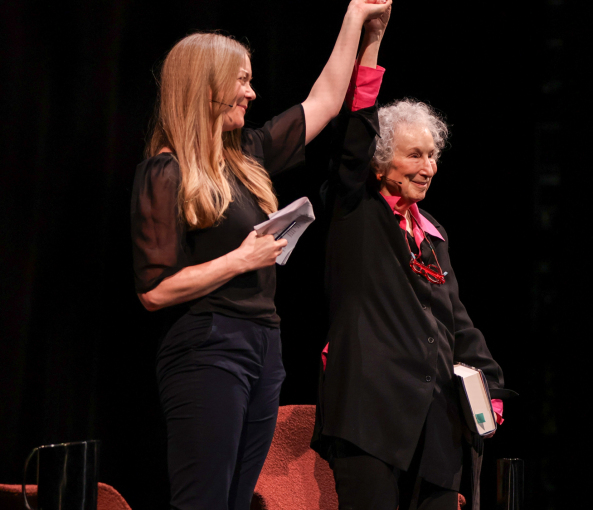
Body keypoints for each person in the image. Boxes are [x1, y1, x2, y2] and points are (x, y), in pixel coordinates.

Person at [130, 2, 392, 509]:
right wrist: (239, 260)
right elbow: (154, 290)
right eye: (241, 81)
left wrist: (357, 23)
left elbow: (325, 101)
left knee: (237, 499)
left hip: (263, 347)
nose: (252, 92)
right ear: (205, 87)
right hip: (207, 347)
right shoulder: (165, 173)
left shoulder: (247, 152)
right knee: (205, 500)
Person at [312, 32, 514, 510]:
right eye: (414, 155)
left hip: (438, 422)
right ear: (380, 166)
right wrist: (372, 42)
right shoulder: (355, 213)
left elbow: (456, 319)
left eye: (433, 156)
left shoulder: (433, 232)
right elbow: (352, 135)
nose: (429, 167)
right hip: (370, 413)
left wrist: (491, 384)